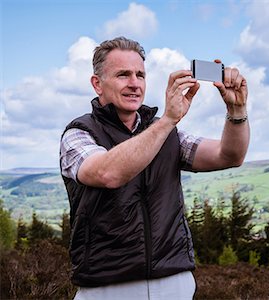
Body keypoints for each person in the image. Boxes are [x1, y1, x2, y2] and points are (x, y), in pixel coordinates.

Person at [59, 36, 249, 299]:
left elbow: (228, 155)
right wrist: (168, 120)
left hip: (174, 281)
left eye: (140, 75)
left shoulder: (167, 133)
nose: (135, 84)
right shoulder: (79, 133)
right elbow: (107, 173)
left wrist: (236, 110)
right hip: (106, 286)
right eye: (123, 75)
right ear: (97, 84)